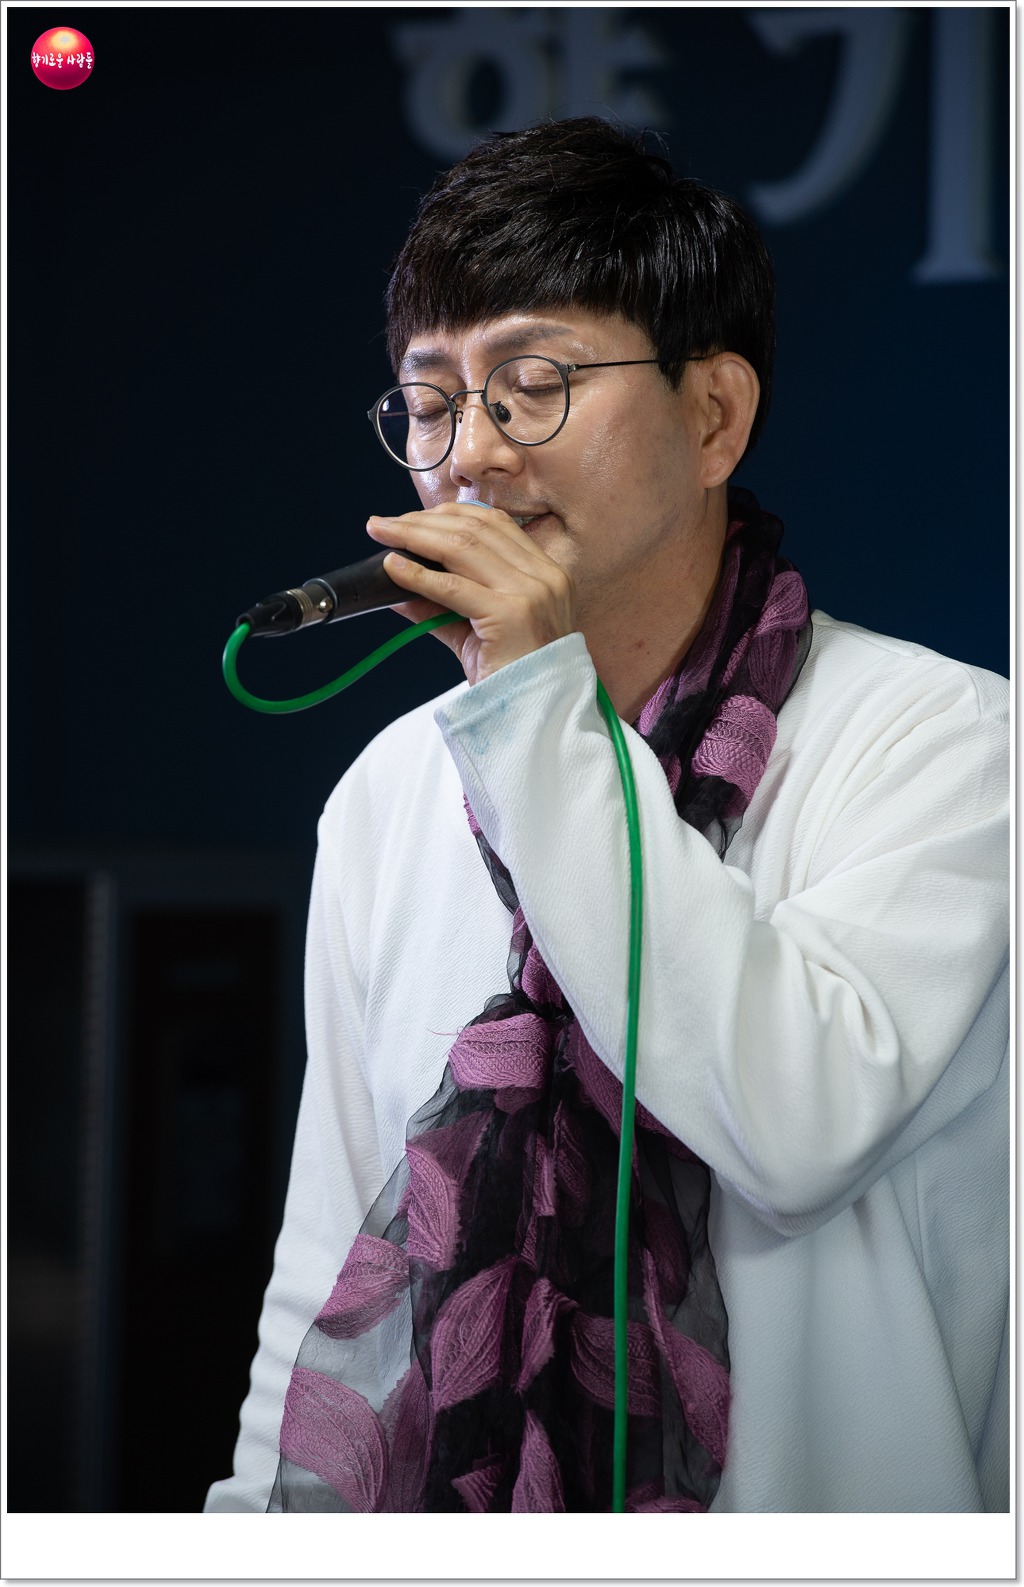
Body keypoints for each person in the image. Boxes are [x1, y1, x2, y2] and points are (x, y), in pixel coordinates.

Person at [204, 117, 1008, 1514]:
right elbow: (326, 1253)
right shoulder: (393, 790)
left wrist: (534, 707)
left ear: (715, 419)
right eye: (433, 404)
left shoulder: (945, 742)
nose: (472, 457)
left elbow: (792, 1126)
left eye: (535, 386)